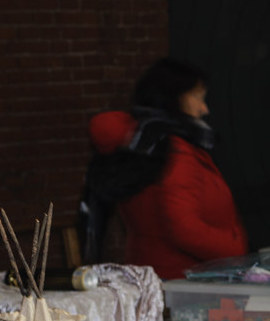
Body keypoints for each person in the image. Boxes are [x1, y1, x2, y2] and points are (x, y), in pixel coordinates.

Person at [85, 59, 248, 280]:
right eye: (197, 97)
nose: (204, 108)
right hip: (183, 282)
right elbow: (183, 228)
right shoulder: (175, 151)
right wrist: (235, 246)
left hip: (151, 274)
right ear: (172, 99)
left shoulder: (140, 143)